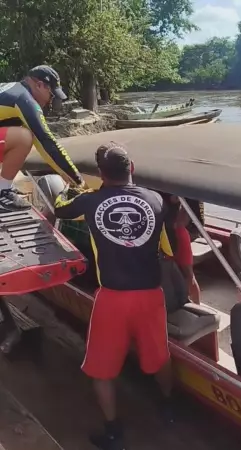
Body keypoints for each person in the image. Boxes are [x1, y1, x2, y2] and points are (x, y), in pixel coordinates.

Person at [53, 142, 174, 450]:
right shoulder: (157, 200)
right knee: (159, 357)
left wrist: (72, 187)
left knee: (101, 369)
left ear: (101, 174)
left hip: (113, 298)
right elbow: (165, 242)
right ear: (131, 168)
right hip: (151, 295)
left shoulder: (90, 202)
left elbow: (59, 208)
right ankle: (169, 407)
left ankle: (113, 433)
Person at [0, 65, 85, 210]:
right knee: (24, 137)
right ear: (39, 85)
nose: (51, 101)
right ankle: (2, 191)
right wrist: (77, 180)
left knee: (13, 134)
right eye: (52, 95)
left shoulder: (10, 89)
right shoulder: (24, 99)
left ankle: (3, 186)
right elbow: (47, 142)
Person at [162, 193, 201, 304]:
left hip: (178, 234)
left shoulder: (179, 190)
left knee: (189, 274)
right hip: (163, 235)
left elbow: (186, 214)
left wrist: (176, 225)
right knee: (168, 270)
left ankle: (197, 306)